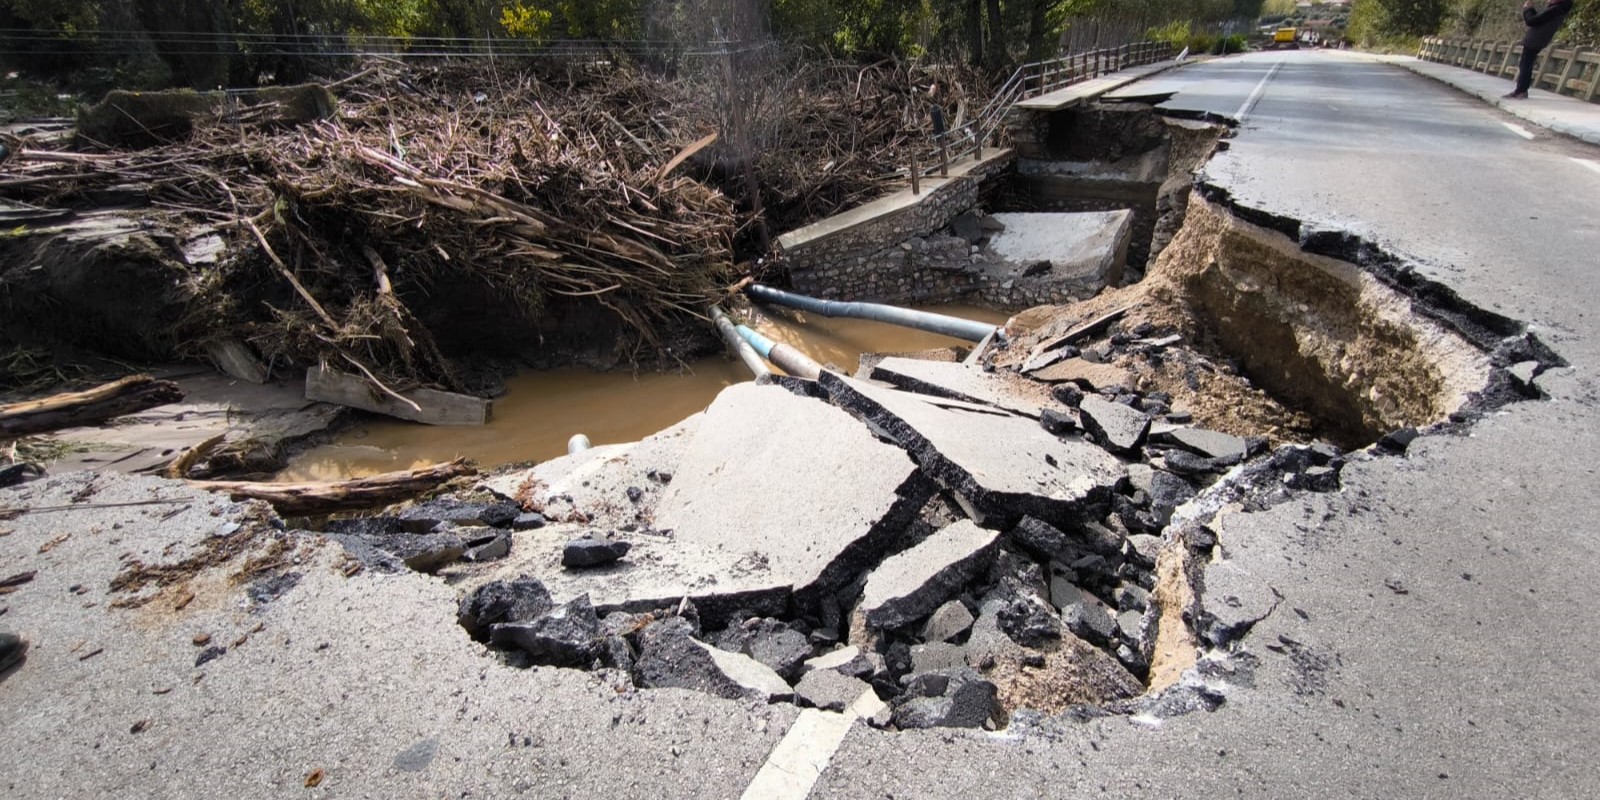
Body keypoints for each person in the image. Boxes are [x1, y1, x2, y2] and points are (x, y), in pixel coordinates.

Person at [1505, 0, 1576, 99]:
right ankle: (1521, 90)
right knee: (1525, 64)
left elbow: (1531, 21)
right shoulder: (1557, 9)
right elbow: (1539, 19)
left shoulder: (1556, 9)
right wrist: (1531, 9)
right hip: (1538, 39)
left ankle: (1521, 91)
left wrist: (1527, 9)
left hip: (1535, 40)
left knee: (1526, 65)